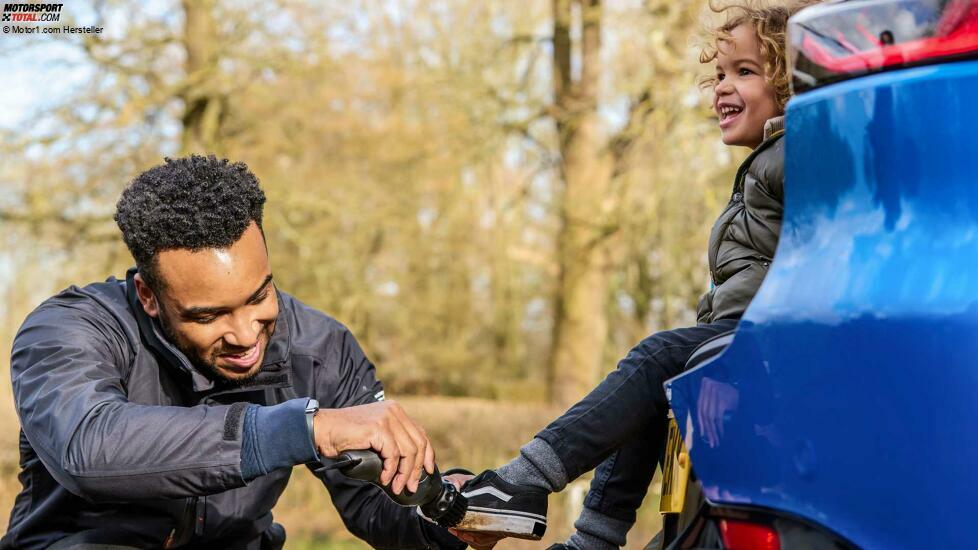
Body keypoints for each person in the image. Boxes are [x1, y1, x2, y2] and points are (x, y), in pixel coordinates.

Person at [452, 2, 810, 548]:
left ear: (791, 83)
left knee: (657, 358)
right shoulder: (767, 162)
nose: (722, 88)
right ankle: (592, 535)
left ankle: (525, 484)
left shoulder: (801, 150)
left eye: (745, 71)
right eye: (718, 74)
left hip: (766, 341)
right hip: (739, 338)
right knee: (661, 375)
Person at [1, 155, 467, 549]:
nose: (245, 336)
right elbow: (89, 448)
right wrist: (302, 428)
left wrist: (449, 513)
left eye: (260, 296)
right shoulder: (66, 329)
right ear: (148, 295)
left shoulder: (319, 346)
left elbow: (371, 502)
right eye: (208, 316)